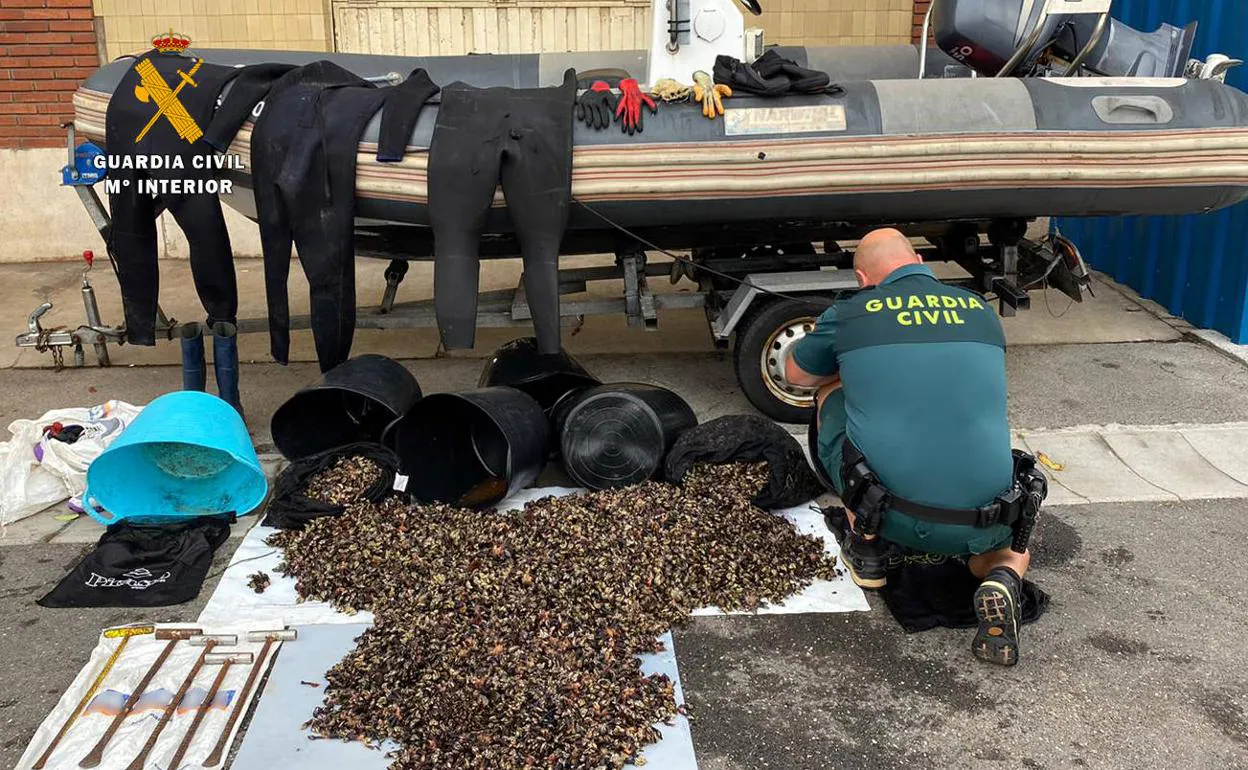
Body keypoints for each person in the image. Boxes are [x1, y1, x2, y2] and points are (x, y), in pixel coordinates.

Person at [785, 228, 1031, 667]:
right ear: (917, 259)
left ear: (863, 277)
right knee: (1009, 547)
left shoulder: (854, 310)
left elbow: (795, 375)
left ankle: (868, 546)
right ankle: (1000, 576)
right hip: (986, 512)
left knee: (831, 396)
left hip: (894, 511)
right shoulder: (979, 309)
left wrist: (845, 372)